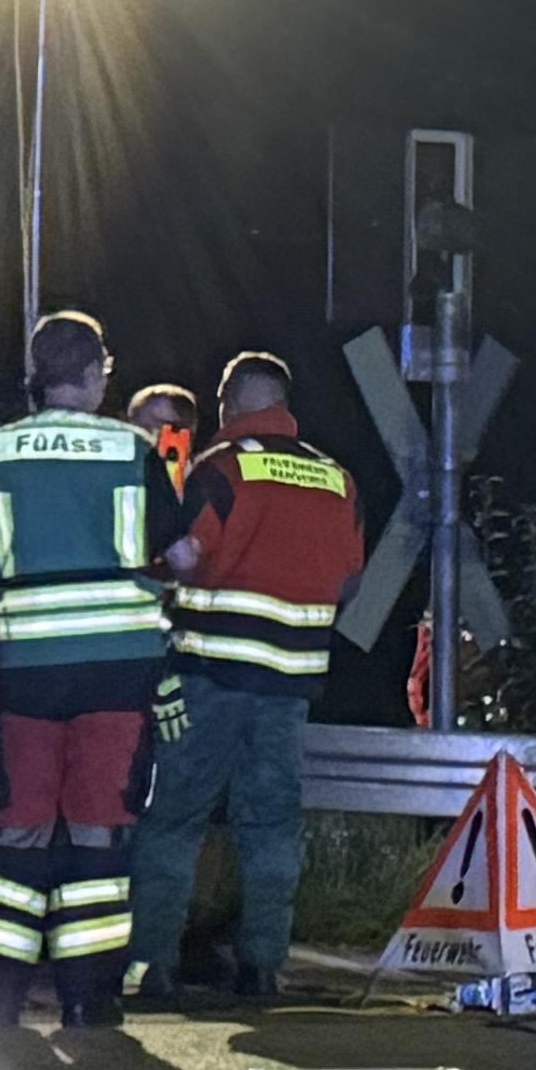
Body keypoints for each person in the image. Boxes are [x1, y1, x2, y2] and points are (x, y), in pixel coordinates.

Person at [0, 311, 179, 1025]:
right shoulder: (131, 447)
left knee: (15, 827)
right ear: (94, 373)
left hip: (24, 667)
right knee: (97, 829)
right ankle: (88, 1000)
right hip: (118, 668)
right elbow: (180, 556)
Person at [128, 348, 365, 1001]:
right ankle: (263, 965)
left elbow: (179, 557)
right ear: (284, 406)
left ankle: (153, 961)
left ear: (229, 405)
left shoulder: (219, 469)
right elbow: (349, 583)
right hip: (289, 689)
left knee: (175, 818)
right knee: (273, 826)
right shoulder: (337, 481)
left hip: (209, 677)